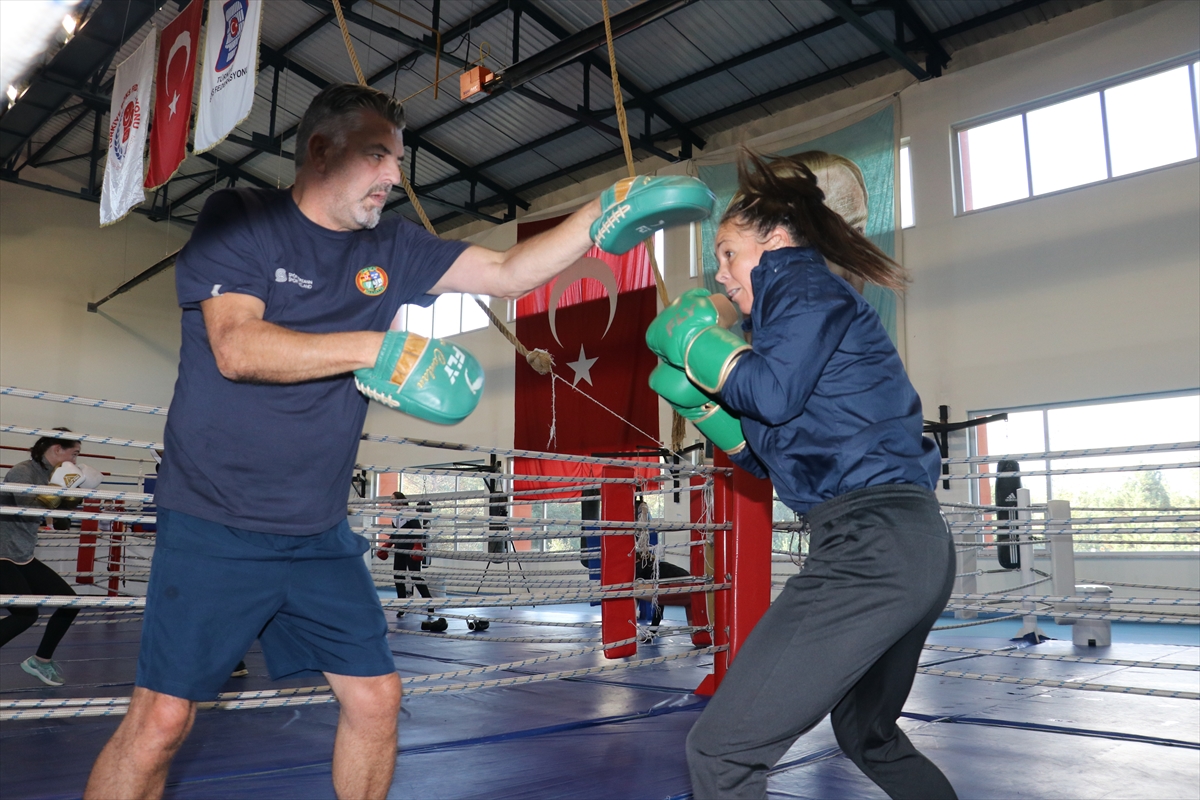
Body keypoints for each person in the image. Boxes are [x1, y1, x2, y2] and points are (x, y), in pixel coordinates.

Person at [83, 82, 707, 800]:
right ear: (321, 151)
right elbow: (236, 346)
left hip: (316, 532)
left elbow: (507, 275)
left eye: (398, 160)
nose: (393, 176)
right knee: (161, 720)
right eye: (377, 156)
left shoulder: (394, 246)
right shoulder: (244, 218)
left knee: (376, 700)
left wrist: (600, 213)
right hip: (216, 520)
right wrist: (378, 349)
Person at [646, 150, 955, 799]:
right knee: (866, 733)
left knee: (720, 752)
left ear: (777, 237)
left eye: (728, 252)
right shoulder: (790, 331)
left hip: (870, 547)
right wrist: (702, 404)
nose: (720, 274)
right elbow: (765, 455)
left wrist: (701, 350)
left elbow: (774, 393)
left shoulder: (801, 281)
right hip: (907, 547)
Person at [1, 429, 102, 686]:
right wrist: (58, 488)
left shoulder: (52, 475)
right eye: (74, 453)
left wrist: (71, 496)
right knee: (25, 614)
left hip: (21, 555)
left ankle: (41, 661)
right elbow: (28, 511)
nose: (76, 461)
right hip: (1, 554)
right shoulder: (23, 471)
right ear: (57, 449)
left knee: (70, 602)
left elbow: (60, 524)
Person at [378, 494, 442, 629]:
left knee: (415, 576)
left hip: (411, 548)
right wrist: (387, 545)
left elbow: (418, 531)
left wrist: (417, 545)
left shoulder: (411, 513)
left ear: (400, 501)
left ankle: (430, 604)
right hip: (400, 549)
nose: (391, 502)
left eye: (393, 500)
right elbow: (395, 533)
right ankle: (402, 606)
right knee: (398, 576)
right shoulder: (396, 517)